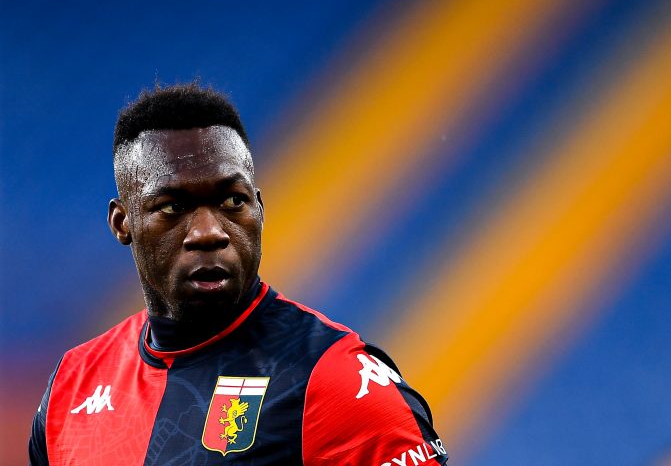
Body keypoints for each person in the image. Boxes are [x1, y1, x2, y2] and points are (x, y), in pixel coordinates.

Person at [28, 83, 448, 465]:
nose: (208, 232)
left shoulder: (337, 380)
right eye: (172, 207)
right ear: (123, 223)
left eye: (232, 201)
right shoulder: (71, 387)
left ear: (259, 210)